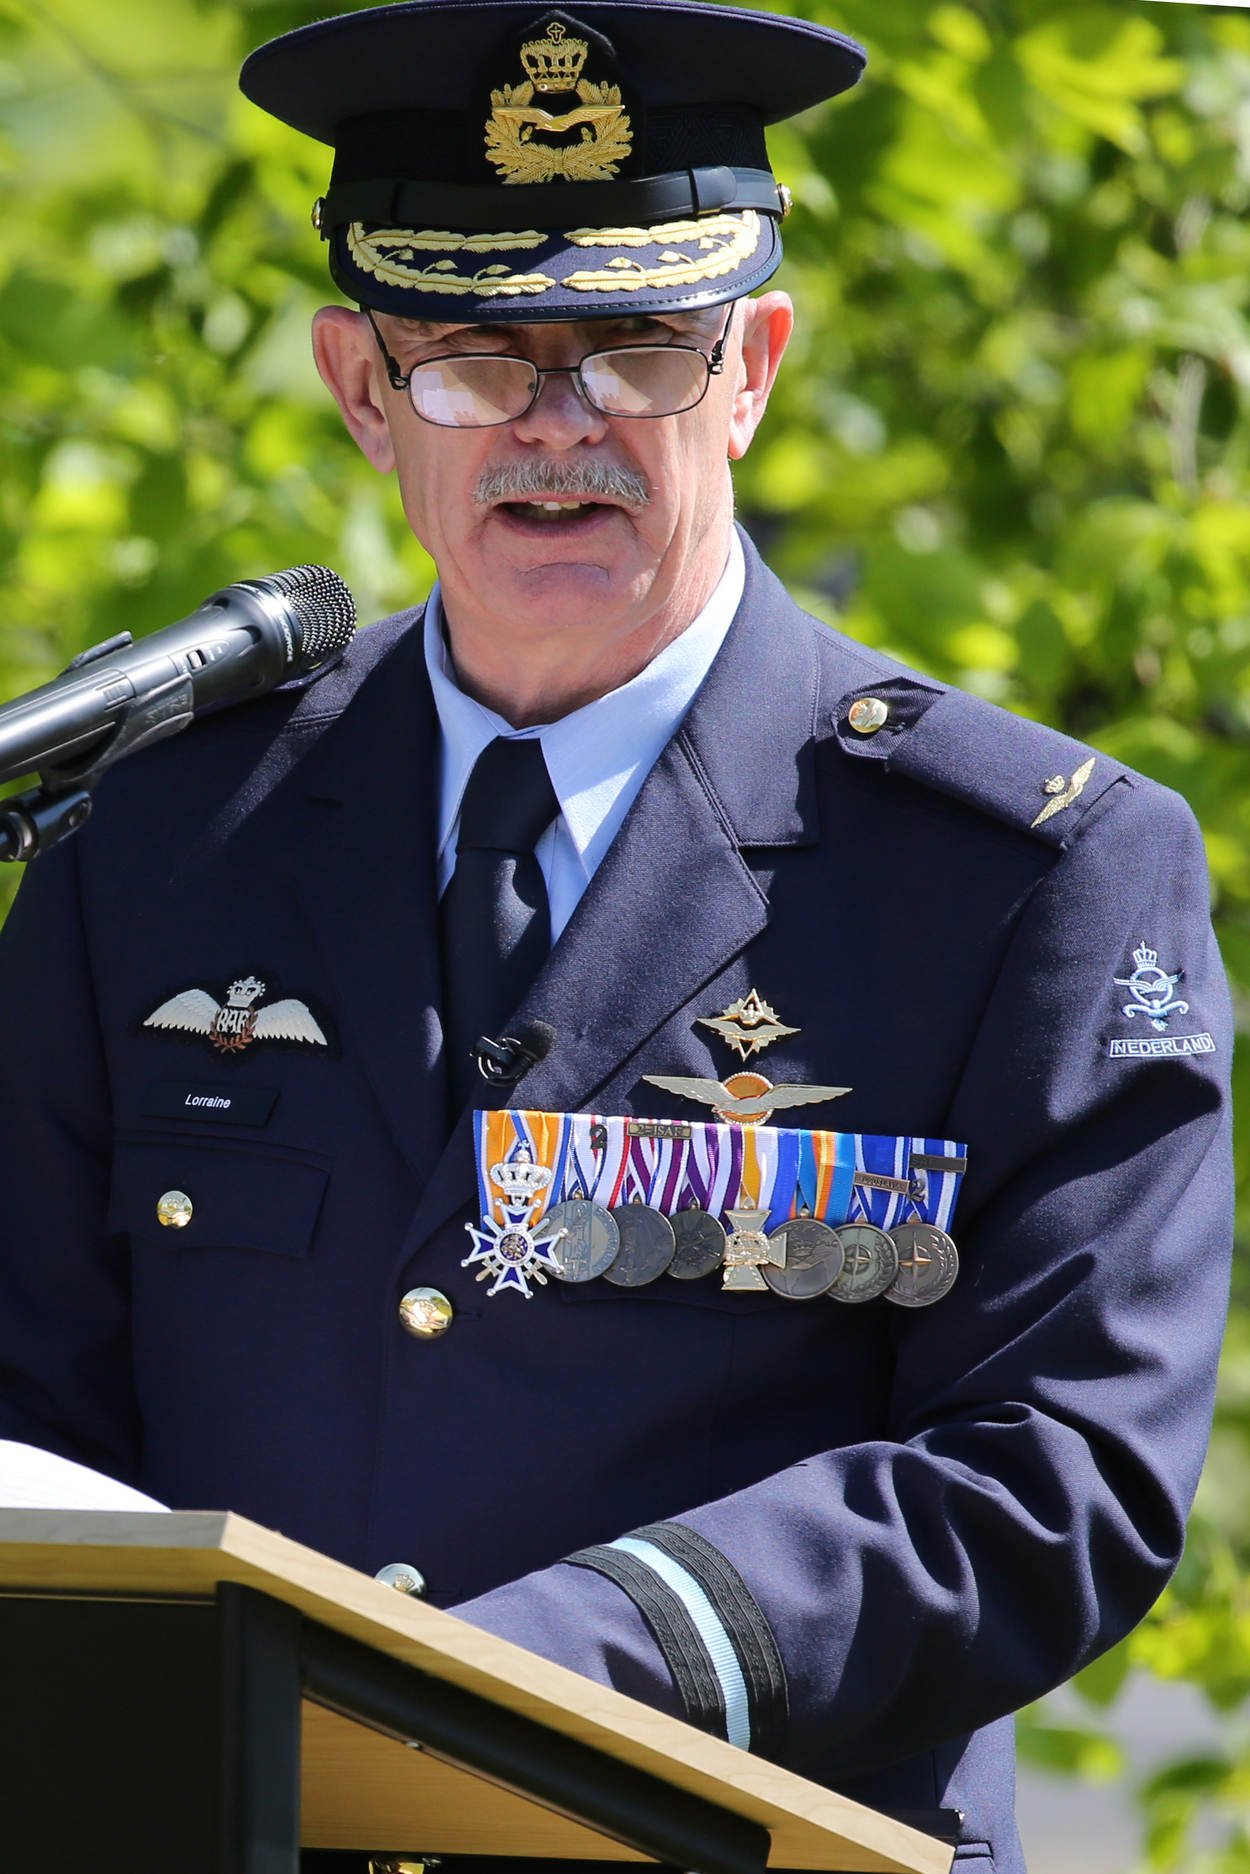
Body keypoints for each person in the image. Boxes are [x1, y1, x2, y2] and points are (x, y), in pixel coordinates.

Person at [0, 3, 1232, 1870]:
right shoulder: (160, 835)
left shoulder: (1022, 872)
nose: (558, 428)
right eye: (474, 363)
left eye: (639, 356)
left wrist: (547, 1665)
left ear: (753, 369)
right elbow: (33, 1398)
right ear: (359, 387)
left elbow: (1059, 1470)